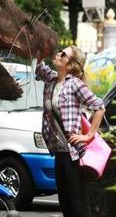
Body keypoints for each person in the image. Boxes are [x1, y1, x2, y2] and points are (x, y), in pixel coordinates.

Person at [36, 45, 105, 217]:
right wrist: (39, 45)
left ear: (70, 64)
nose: (58, 54)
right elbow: (38, 65)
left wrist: (88, 136)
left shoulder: (74, 84)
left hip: (73, 154)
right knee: (65, 203)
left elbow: (99, 107)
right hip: (59, 152)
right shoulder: (51, 79)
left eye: (63, 54)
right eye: (59, 51)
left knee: (78, 205)